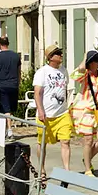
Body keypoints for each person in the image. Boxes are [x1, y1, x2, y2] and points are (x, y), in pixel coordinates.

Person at [63, 50, 98, 176]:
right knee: (88, 140)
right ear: (90, 63)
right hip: (85, 112)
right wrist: (85, 57)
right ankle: (88, 169)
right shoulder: (85, 75)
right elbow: (78, 71)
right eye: (95, 60)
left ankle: (87, 158)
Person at [31, 48, 70, 181]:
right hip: (46, 114)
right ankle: (41, 169)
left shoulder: (64, 70)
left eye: (61, 53)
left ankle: (67, 171)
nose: (61, 55)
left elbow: (66, 89)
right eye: (58, 54)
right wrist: (40, 110)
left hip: (62, 113)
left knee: (66, 141)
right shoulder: (42, 72)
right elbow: (37, 93)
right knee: (42, 143)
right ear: (51, 57)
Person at [0, 37, 22, 121]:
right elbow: (19, 72)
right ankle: (7, 128)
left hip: (2, 85)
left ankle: (9, 129)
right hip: (14, 84)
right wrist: (18, 83)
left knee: (5, 108)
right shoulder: (16, 56)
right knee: (11, 107)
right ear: (8, 43)